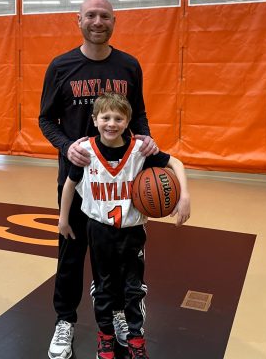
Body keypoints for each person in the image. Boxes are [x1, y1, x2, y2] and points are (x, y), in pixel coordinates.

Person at [38, 0, 159, 359]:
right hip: (79, 180)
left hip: (121, 183)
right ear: (78, 20)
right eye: (90, 15)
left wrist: (148, 147)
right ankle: (65, 321)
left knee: (121, 259)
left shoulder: (129, 66)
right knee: (71, 253)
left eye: (104, 16)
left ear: (113, 22)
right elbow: (46, 120)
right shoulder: (61, 66)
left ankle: (119, 313)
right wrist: (66, 146)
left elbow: (137, 116)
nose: (97, 21)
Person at [59, 93, 191, 359]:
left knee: (133, 288)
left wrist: (184, 196)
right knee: (104, 287)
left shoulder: (140, 151)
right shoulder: (85, 151)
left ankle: (136, 337)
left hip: (132, 231)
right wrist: (63, 218)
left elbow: (176, 162)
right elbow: (70, 184)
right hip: (98, 231)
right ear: (95, 120)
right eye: (105, 117)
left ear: (128, 121)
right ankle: (105, 335)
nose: (111, 123)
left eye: (118, 118)